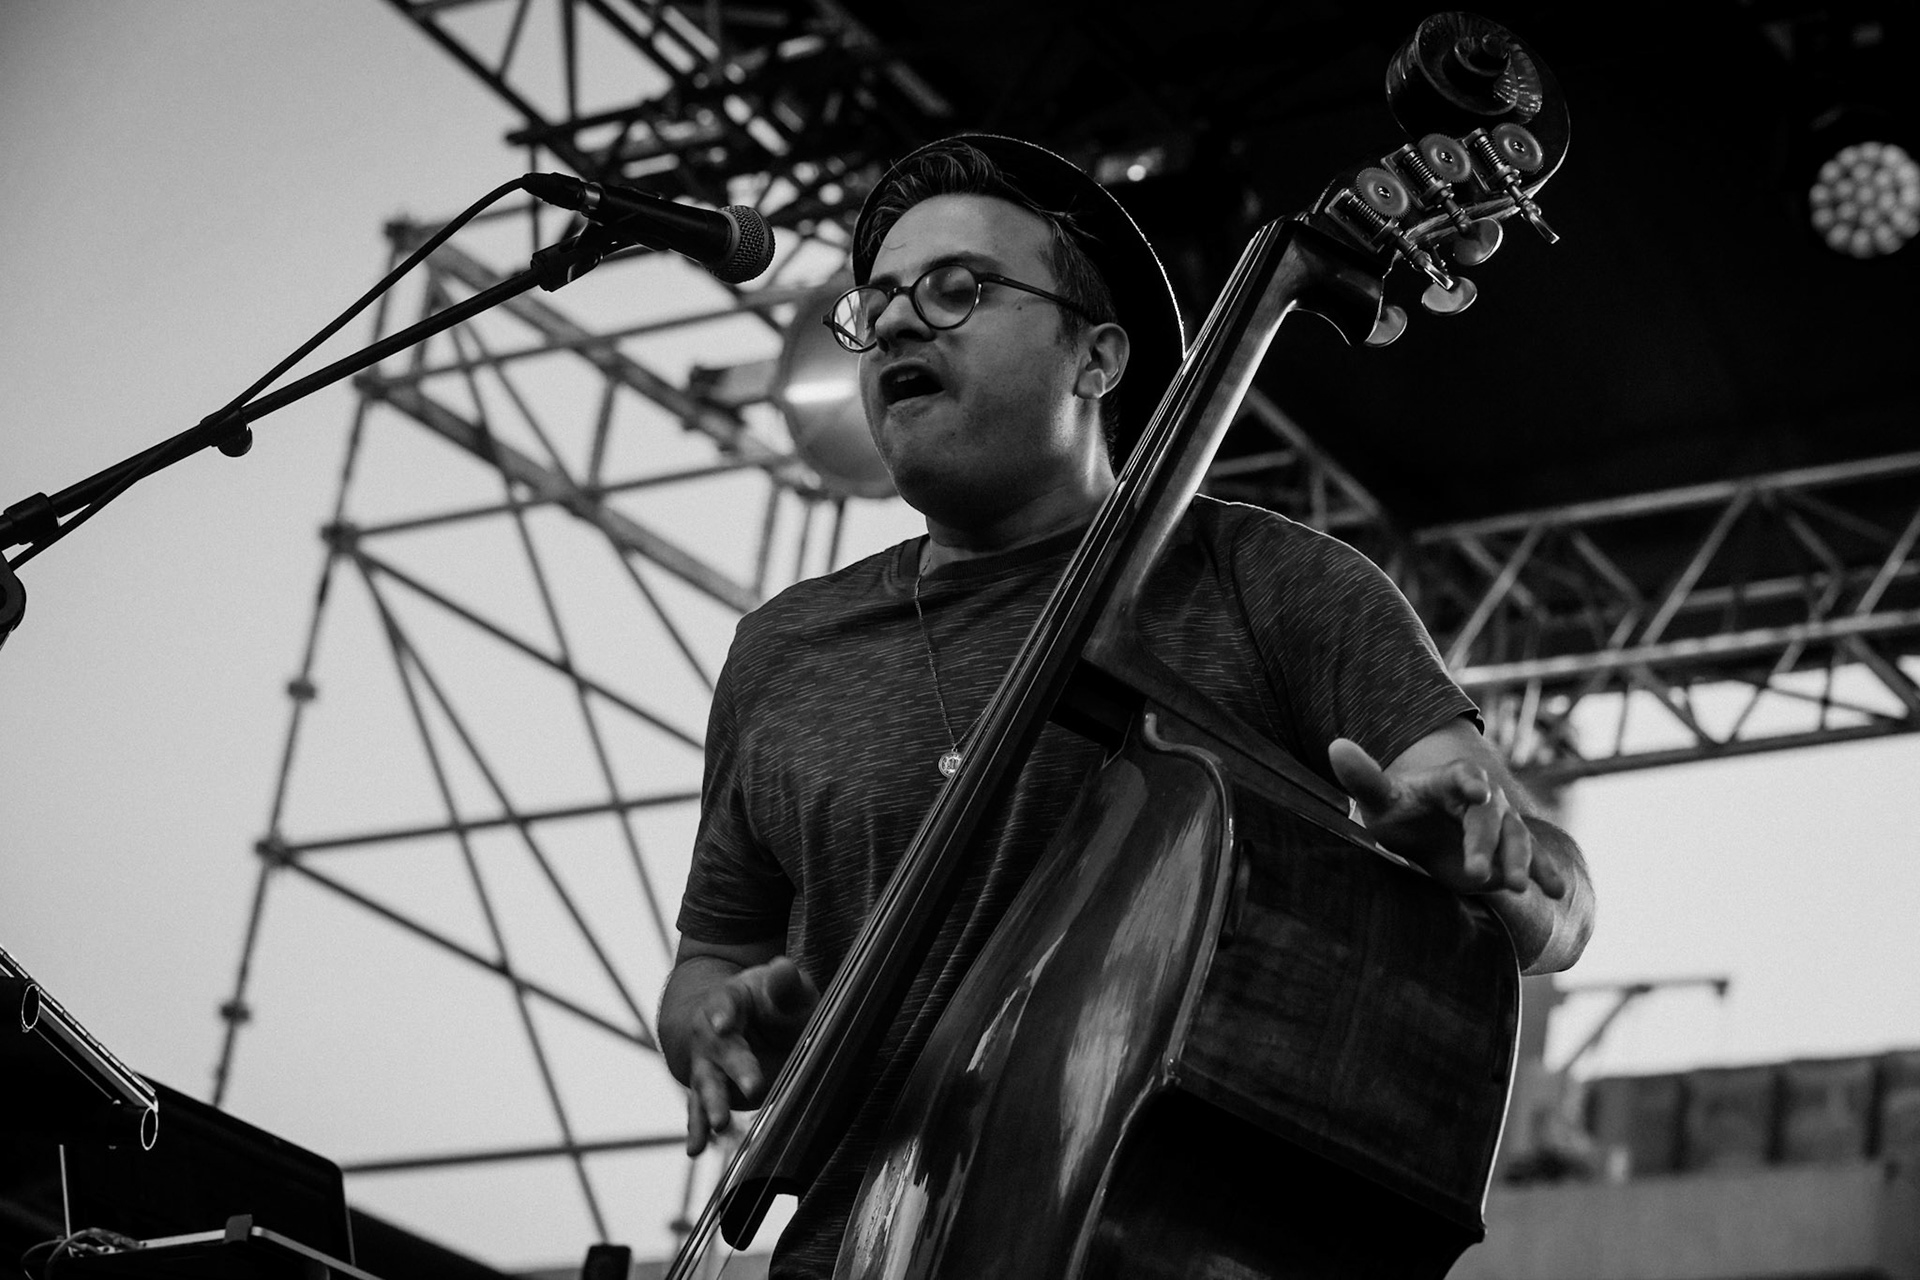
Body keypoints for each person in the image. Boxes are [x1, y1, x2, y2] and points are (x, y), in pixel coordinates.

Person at [658, 134, 1595, 1278]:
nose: (896, 323)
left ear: (1096, 356)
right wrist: (715, 1025)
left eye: (955, 289)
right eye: (877, 302)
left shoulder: (1273, 584)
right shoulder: (785, 649)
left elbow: (1559, 906)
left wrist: (1490, 868)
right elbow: (709, 962)